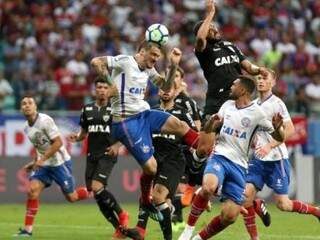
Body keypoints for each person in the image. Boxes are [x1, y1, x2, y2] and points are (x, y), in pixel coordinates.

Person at [90, 41, 200, 220]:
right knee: (151, 168)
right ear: (142, 52)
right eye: (154, 55)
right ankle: (146, 201)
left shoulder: (148, 69)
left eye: (158, 57)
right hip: (126, 120)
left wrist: (173, 66)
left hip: (144, 114)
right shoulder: (125, 61)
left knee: (180, 126)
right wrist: (111, 83)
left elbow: (165, 86)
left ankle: (207, 154)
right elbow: (96, 61)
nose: (156, 59)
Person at [178, 75, 285, 240]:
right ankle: (188, 231)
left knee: (229, 216)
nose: (230, 87)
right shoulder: (227, 105)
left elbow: (279, 137)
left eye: (234, 85)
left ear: (243, 90)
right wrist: (210, 124)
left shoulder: (257, 113)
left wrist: (278, 128)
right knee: (208, 187)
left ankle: (198, 238)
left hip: (240, 166)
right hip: (219, 156)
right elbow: (209, 128)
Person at [242, 70, 320, 240]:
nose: (261, 80)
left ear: (273, 82)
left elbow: (290, 129)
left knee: (283, 205)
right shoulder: (253, 104)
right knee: (245, 197)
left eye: (265, 78)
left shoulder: (277, 104)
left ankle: (316, 211)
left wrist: (270, 145)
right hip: (258, 159)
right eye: (259, 78)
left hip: (277, 160)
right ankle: (254, 237)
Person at [192, 0, 269, 160]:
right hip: (216, 100)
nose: (214, 28)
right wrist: (210, 14)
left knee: (234, 143)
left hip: (237, 100)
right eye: (210, 28)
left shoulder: (230, 46)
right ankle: (195, 165)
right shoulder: (203, 49)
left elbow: (248, 66)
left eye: (214, 26)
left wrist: (258, 70)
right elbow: (200, 38)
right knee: (203, 150)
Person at [125, 82, 198, 240]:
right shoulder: (152, 113)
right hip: (155, 158)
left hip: (173, 160)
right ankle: (140, 230)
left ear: (174, 92)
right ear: (158, 92)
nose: (166, 92)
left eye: (169, 89)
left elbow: (194, 136)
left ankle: (168, 235)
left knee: (157, 197)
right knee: (147, 195)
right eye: (162, 89)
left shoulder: (182, 113)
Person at [67, 78, 135, 239]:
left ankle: (122, 213)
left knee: (97, 187)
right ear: (95, 89)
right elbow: (83, 133)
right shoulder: (87, 109)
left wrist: (117, 146)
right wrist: (76, 138)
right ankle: (119, 228)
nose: (102, 90)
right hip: (92, 155)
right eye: (99, 87)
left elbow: (126, 132)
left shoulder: (115, 109)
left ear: (109, 90)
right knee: (96, 194)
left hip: (108, 153)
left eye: (105, 87)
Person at [14, 96, 90, 237]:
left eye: (30, 103)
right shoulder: (26, 127)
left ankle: (93, 190)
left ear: (36, 106)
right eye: (23, 103)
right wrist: (35, 161)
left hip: (60, 162)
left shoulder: (45, 121)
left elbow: (58, 143)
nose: (27, 105)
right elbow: (40, 147)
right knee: (32, 191)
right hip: (44, 164)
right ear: (21, 108)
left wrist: (42, 159)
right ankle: (27, 230)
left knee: (72, 197)